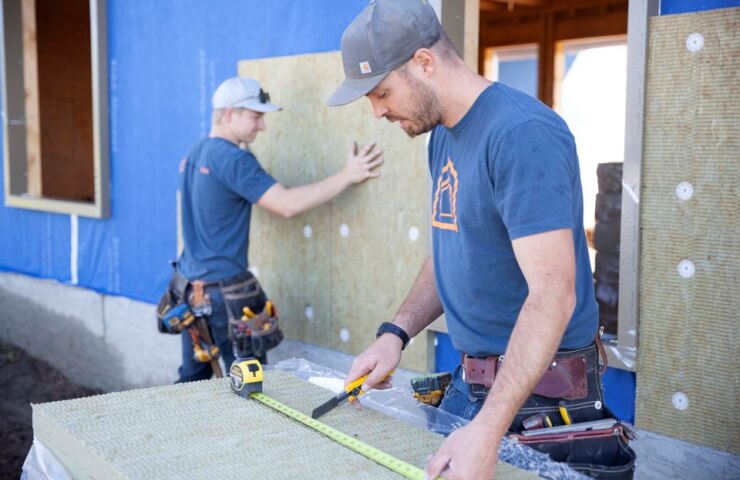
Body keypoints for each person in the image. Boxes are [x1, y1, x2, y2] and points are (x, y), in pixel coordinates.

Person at [327, 1, 635, 479]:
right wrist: (396, 334)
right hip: (477, 390)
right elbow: (452, 248)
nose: (377, 111)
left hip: (539, 401)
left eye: (381, 91)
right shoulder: (443, 137)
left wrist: (487, 432)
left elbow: (553, 295)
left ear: (423, 64)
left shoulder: (521, 133)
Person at [171, 76, 383, 383]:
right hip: (223, 299)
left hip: (190, 292)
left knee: (192, 384)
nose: (262, 126)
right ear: (229, 114)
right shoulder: (234, 159)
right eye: (256, 117)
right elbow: (286, 204)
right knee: (249, 389)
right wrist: (347, 176)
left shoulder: (193, 154)